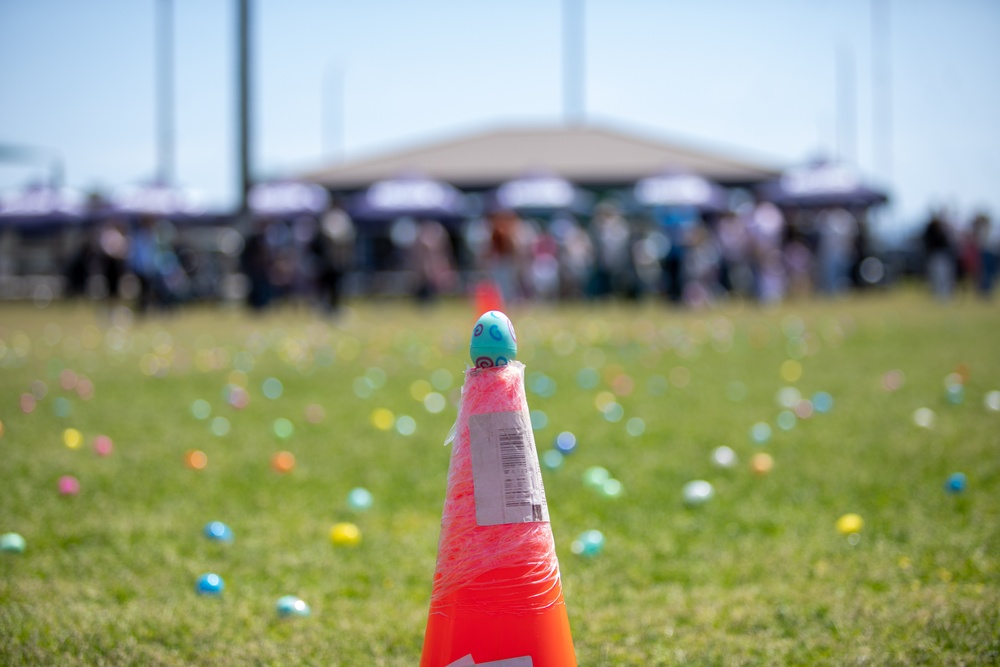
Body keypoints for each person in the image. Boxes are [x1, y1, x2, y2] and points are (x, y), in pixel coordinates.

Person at [311, 203, 356, 313]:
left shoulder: (341, 218)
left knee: (337, 286)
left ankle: (334, 307)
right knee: (325, 286)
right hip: (327, 261)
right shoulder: (329, 219)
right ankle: (324, 307)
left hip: (338, 261)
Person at [922, 210, 956, 301]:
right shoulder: (930, 229)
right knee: (936, 277)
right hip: (935, 255)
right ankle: (937, 296)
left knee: (945, 277)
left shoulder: (944, 228)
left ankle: (945, 296)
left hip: (943, 255)